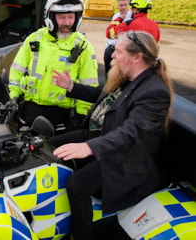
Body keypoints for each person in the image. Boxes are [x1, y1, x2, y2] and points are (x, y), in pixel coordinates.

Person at [50, 30, 173, 240]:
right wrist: (71, 87)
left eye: (118, 51)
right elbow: (104, 95)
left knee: (77, 185)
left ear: (136, 57)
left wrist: (89, 147)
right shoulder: (129, 76)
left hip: (129, 157)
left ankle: (82, 235)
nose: (112, 55)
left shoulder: (154, 92)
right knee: (50, 146)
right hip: (107, 137)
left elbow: (131, 132)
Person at [8, 0, 99, 132]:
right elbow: (17, 70)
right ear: (50, 16)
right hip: (30, 108)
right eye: (62, 17)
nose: (67, 22)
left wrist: (81, 114)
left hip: (61, 113)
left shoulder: (83, 46)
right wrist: (13, 97)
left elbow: (89, 83)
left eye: (71, 17)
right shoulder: (34, 39)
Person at [104, 0, 132, 76]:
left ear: (128, 5)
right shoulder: (115, 16)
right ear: (117, 6)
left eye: (125, 5)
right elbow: (110, 32)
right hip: (110, 48)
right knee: (108, 73)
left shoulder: (131, 17)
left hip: (121, 50)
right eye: (121, 5)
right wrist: (107, 47)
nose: (123, 7)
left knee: (119, 74)